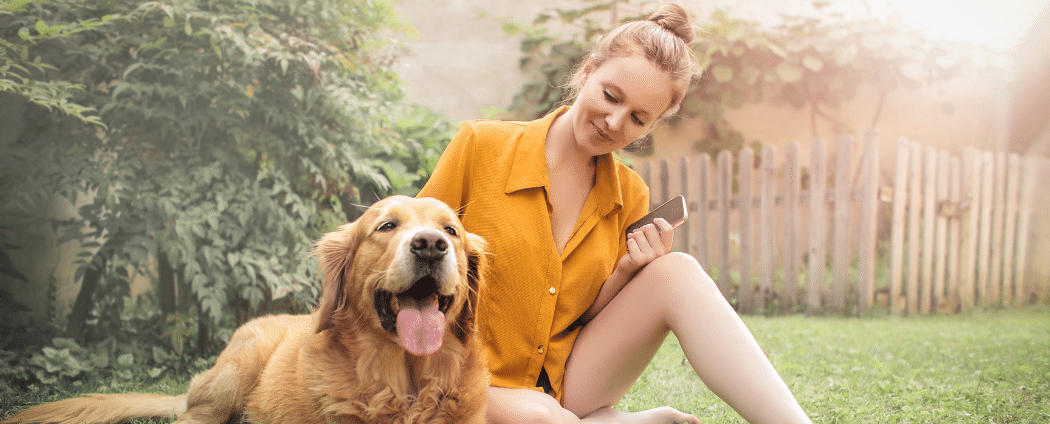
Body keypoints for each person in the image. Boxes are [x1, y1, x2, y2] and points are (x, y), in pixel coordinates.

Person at [417, 2, 812, 423]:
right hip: (460, 379)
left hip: (562, 383)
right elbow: (403, 254)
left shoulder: (629, 194)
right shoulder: (480, 147)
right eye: (611, 96)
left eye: (638, 118)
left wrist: (625, 270)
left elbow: (582, 318)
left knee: (676, 272)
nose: (614, 122)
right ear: (588, 72)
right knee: (546, 420)